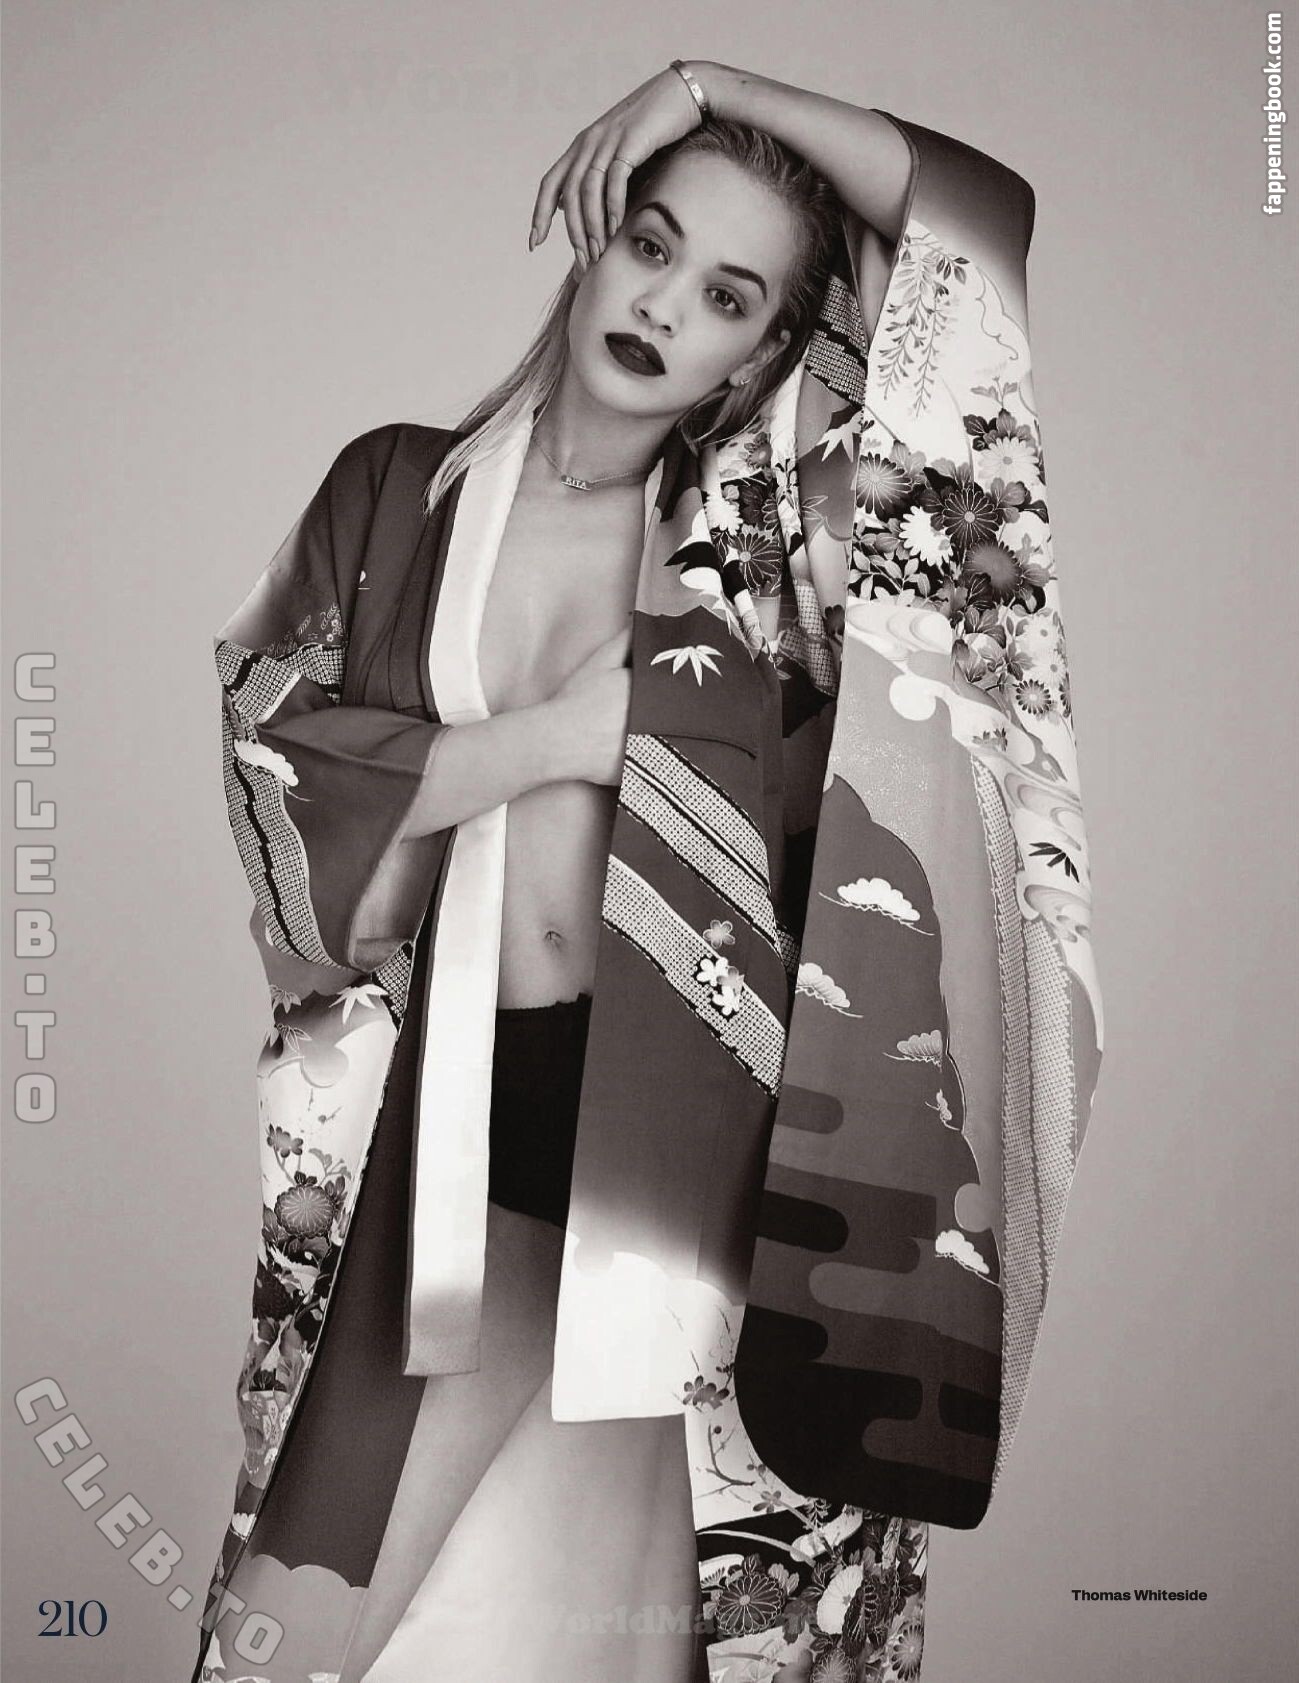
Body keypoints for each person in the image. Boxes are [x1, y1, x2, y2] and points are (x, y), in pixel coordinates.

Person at [195, 56, 1101, 1683]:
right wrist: (565, 737)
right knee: (290, 1643)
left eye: (729, 295)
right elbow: (280, 772)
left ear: (763, 352)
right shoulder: (393, 493)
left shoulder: (766, 552)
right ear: (596, 235)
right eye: (654, 245)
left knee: (670, 1637)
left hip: (696, 1162)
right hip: (443, 1134)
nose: (666, 304)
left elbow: (973, 235)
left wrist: (702, 81)